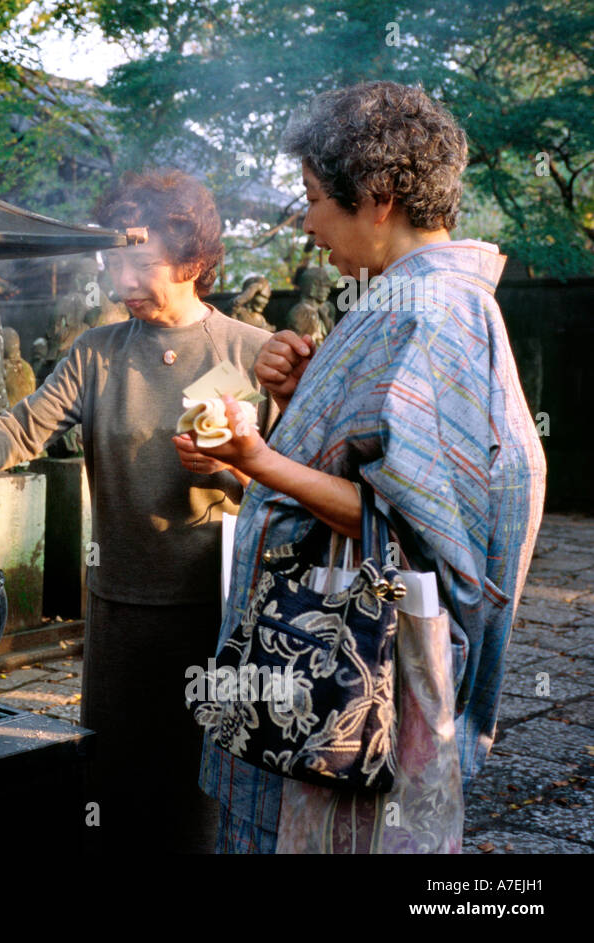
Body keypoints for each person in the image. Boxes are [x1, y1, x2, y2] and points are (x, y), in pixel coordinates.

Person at [180, 80, 546, 853]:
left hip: (344, 679)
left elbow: (410, 530)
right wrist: (296, 395)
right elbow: (371, 459)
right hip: (313, 662)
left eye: (314, 198)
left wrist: (256, 459)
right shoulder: (400, 301)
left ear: (377, 196)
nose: (308, 228)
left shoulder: (429, 310)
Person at [0, 169, 276, 853]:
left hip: (211, 608)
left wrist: (236, 468)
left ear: (190, 259)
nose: (117, 276)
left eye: (135, 258)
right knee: (116, 779)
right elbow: (19, 430)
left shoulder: (251, 352)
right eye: (111, 260)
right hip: (119, 605)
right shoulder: (98, 352)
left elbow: (290, 485)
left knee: (200, 782)